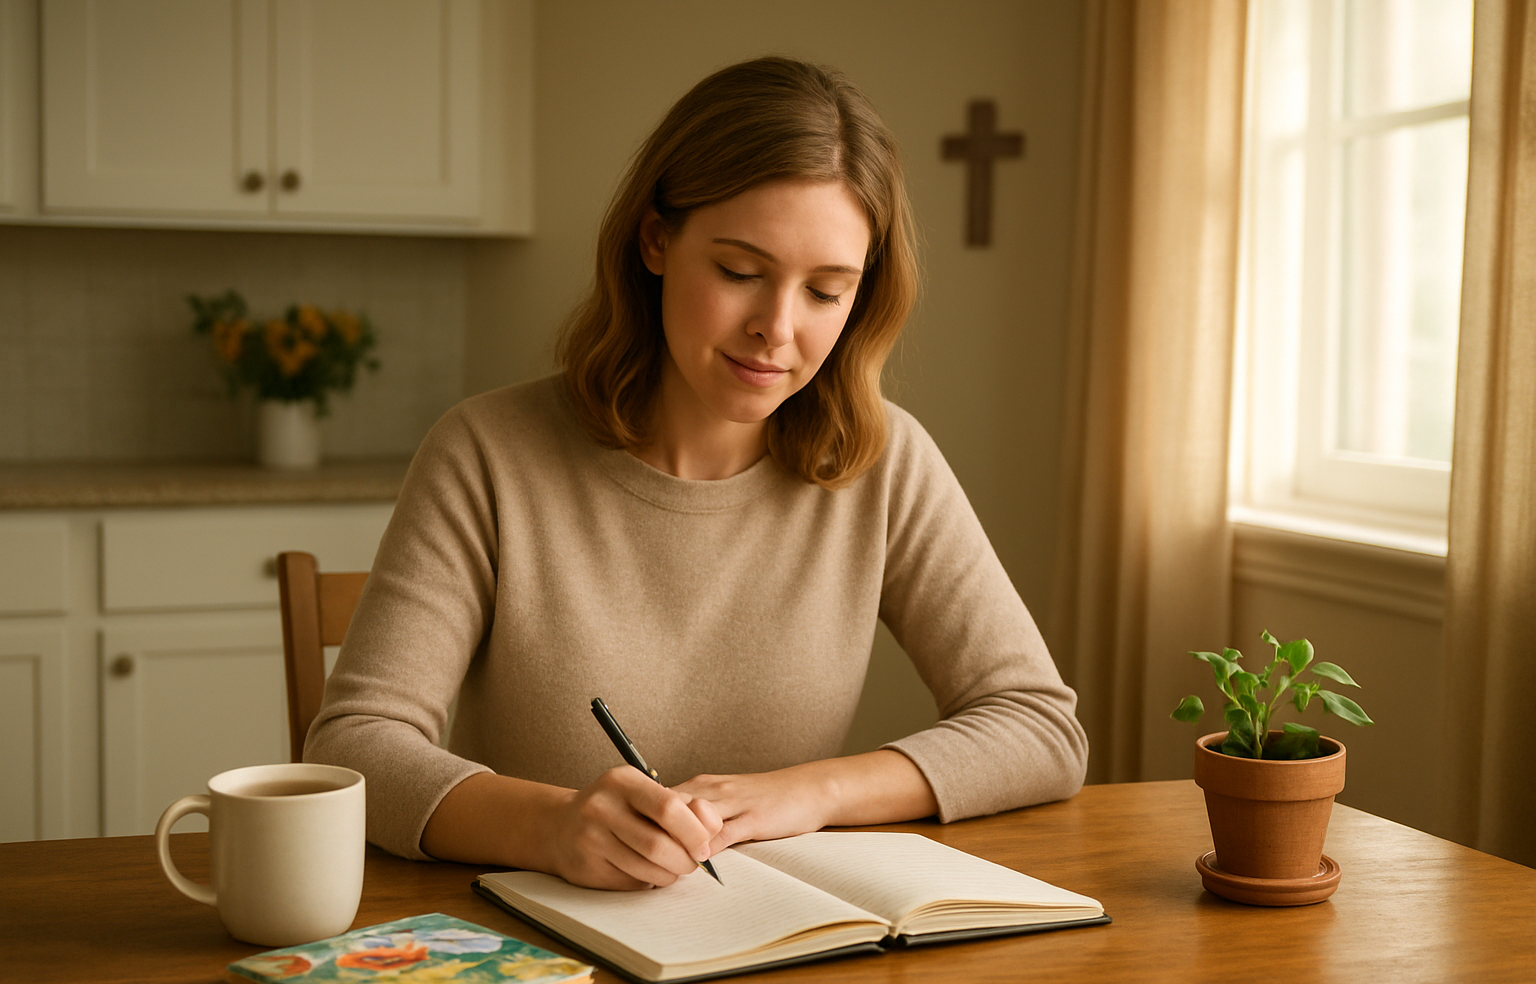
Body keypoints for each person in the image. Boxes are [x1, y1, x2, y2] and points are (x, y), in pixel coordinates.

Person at [305, 56, 1088, 891]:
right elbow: (355, 746)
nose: (776, 329)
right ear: (655, 239)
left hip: (776, 953)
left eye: (826, 291)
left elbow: (1040, 727)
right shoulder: (486, 452)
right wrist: (553, 827)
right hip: (545, 960)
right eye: (740, 273)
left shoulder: (884, 462)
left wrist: (809, 794)